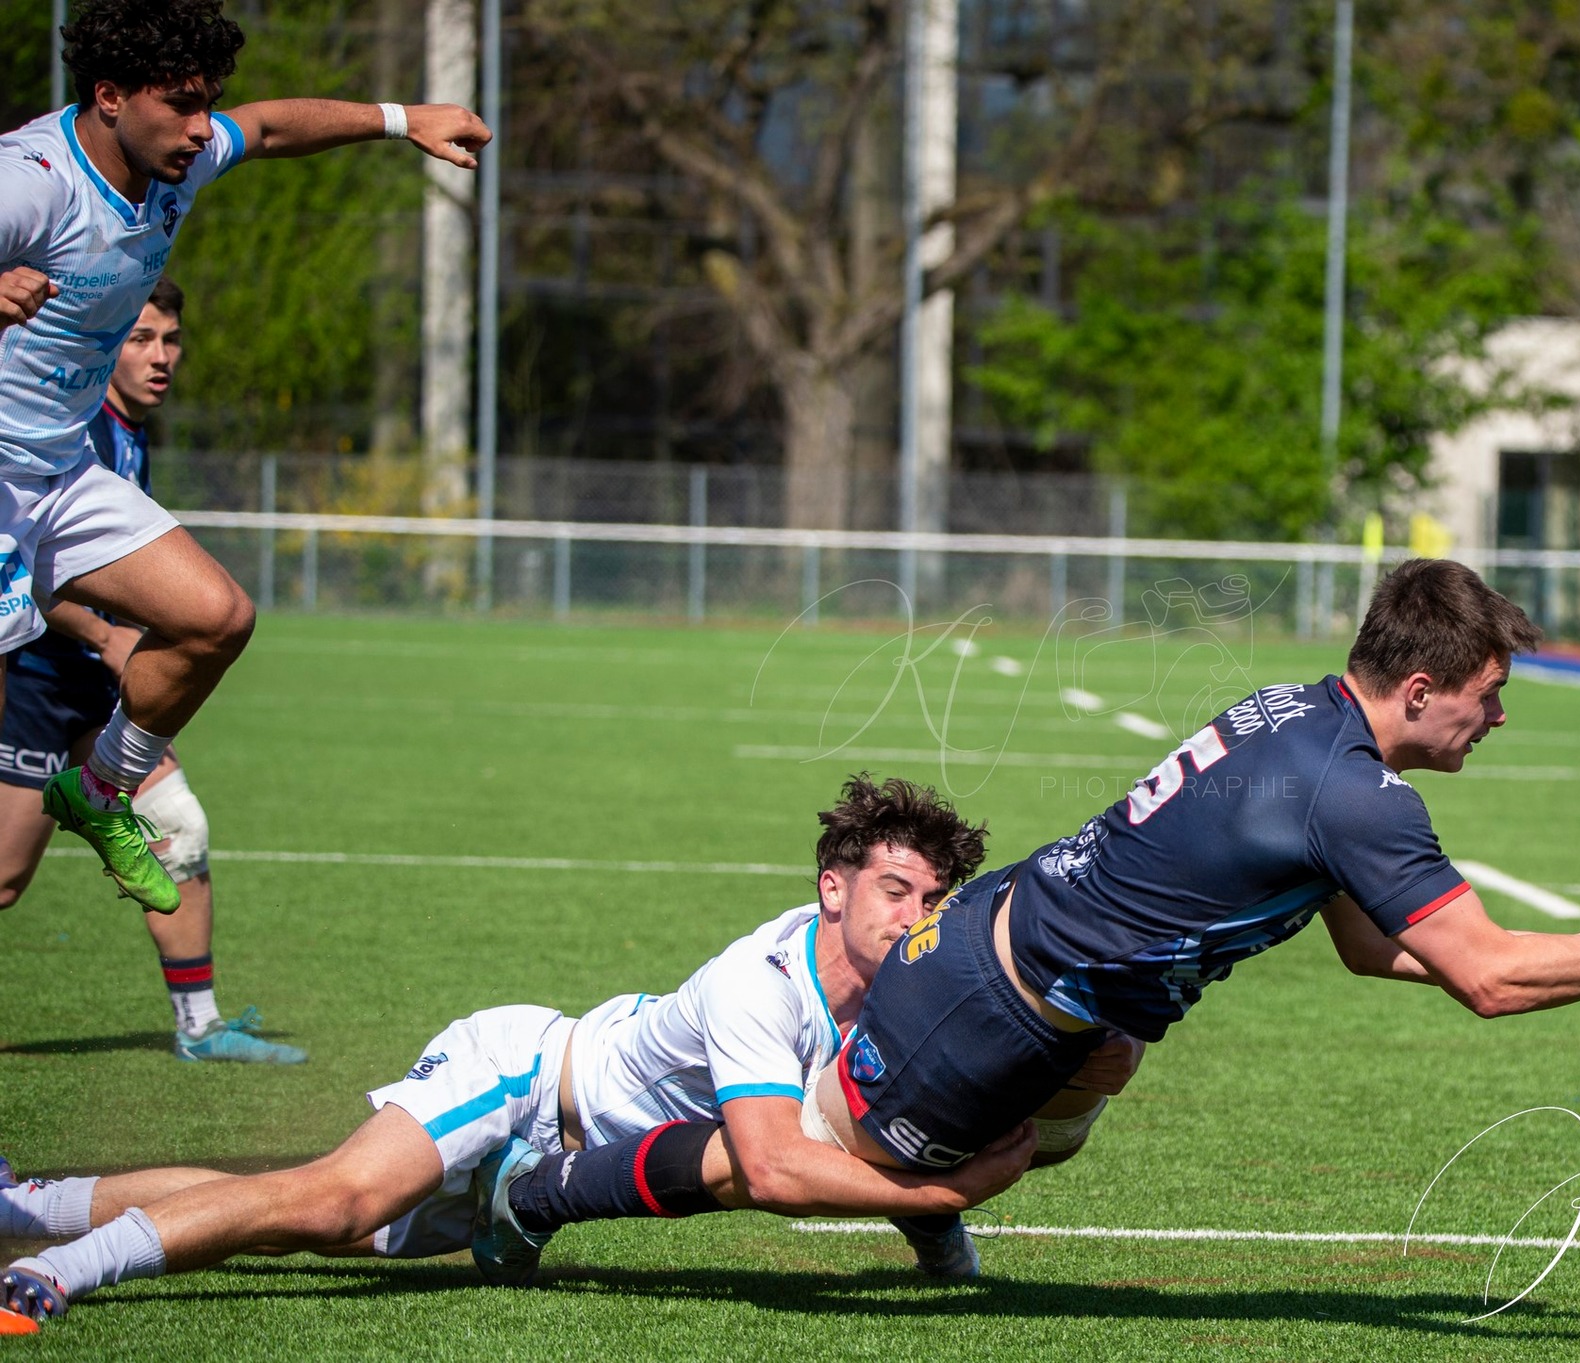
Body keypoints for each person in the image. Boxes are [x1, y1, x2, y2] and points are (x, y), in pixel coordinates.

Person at [791, 559, 1580, 1177]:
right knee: (807, 1166)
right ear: (1419, 691)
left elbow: (1375, 952)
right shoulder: (1353, 797)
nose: (1497, 718)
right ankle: (642, 1125)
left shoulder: (1302, 714)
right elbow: (1487, 978)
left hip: (1014, 955)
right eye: (1488, 693)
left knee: (1106, 1054)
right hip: (980, 1003)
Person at [0, 777, 1138, 1329]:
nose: (913, 914)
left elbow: (888, 1125)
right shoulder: (765, 984)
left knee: (292, 1206)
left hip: (575, 1144)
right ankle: (57, 1272)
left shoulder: (898, 997)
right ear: (832, 887)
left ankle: (30, 1204)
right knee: (331, 1206)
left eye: (932, 897)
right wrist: (961, 1189)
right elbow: (776, 1168)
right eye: (893, 889)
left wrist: (948, 1258)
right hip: (525, 1078)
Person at [0, 0, 488, 913]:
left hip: (58, 471)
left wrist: (402, 120)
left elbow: (264, 129)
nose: (201, 127)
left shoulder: (172, 161)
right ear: (108, 96)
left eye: (206, 103)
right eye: (182, 105)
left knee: (216, 617)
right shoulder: (30, 184)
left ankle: (100, 789)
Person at [0, 278, 302, 1064]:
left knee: (179, 828)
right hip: (35, 683)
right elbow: (31, 571)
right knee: (3, 880)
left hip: (100, 693)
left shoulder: (129, 434)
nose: (159, 356)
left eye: (170, 339)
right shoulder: (71, 432)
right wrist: (106, 632)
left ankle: (199, 1025)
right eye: (139, 339)